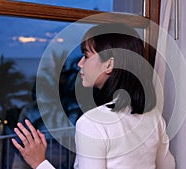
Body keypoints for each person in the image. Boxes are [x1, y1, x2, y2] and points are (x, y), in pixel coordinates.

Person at [11, 23, 175, 169]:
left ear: (109, 64)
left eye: (87, 56)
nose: (80, 63)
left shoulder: (92, 124)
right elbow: (168, 166)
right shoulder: (153, 117)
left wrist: (39, 163)